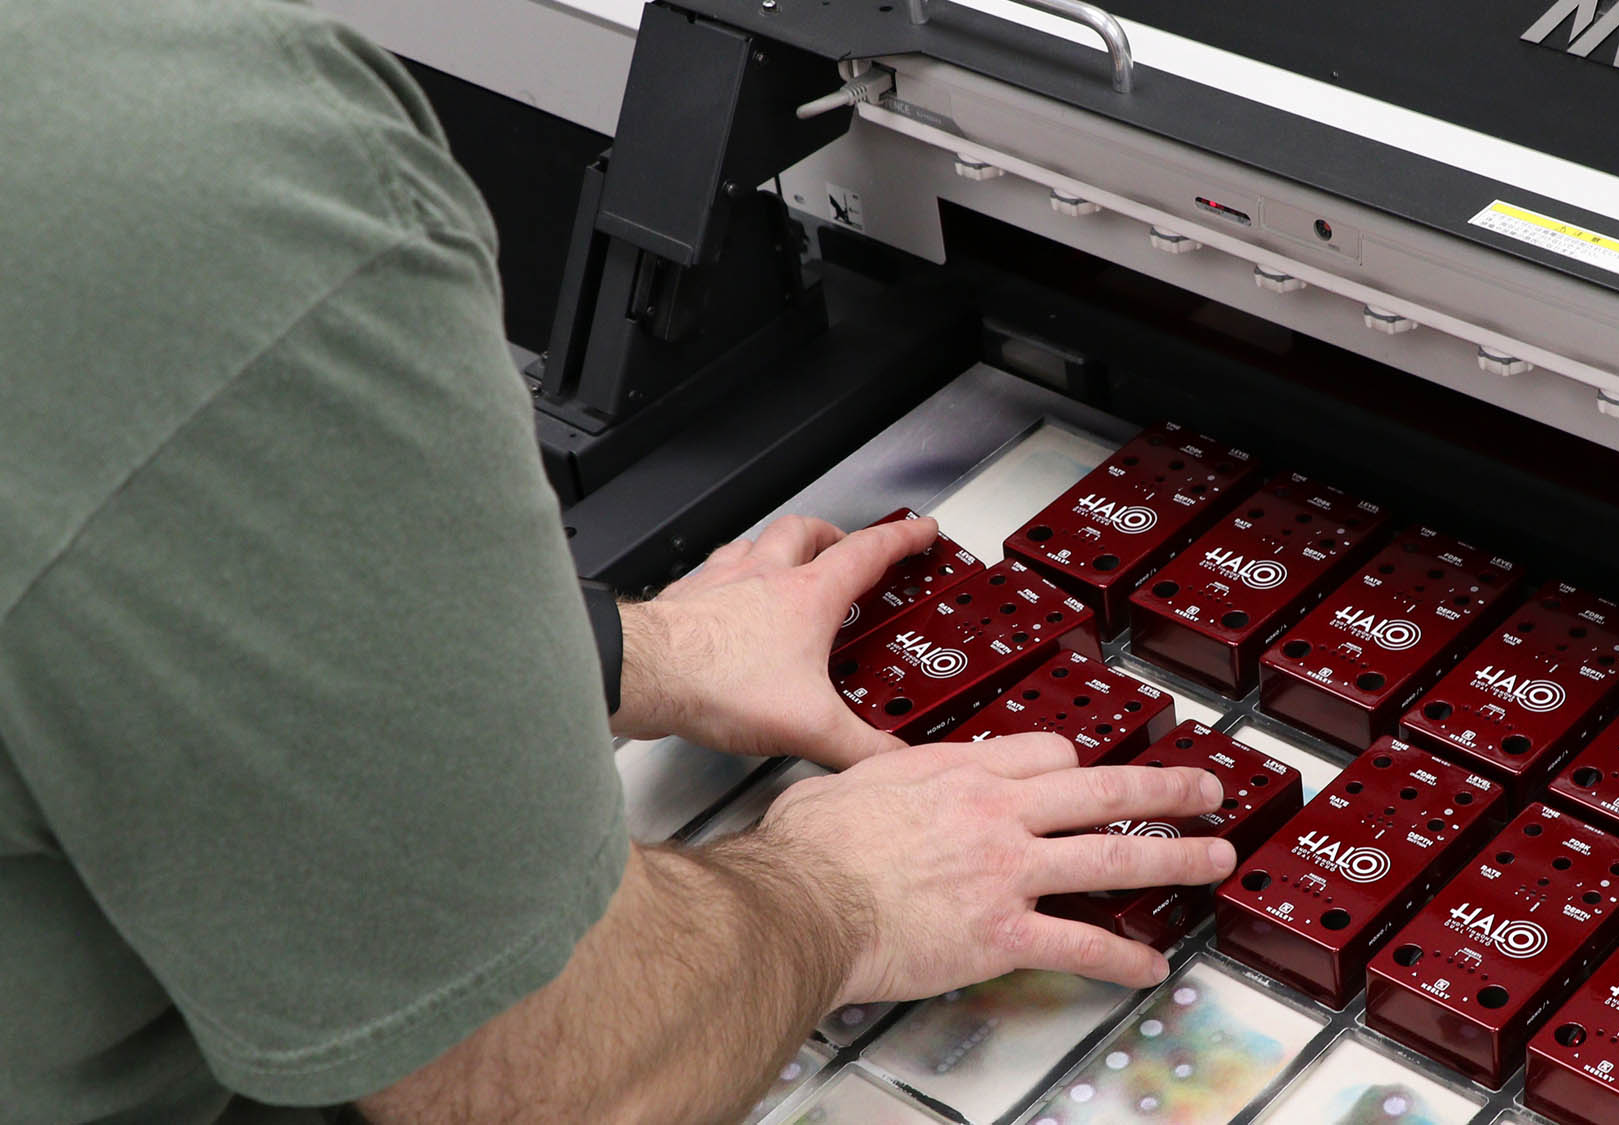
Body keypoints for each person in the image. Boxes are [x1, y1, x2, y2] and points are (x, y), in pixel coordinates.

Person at [0, 3, 1233, 1122]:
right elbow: (549, 1081)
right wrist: (836, 898)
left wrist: (609, 652)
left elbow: (102, 603)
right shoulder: (191, 182)